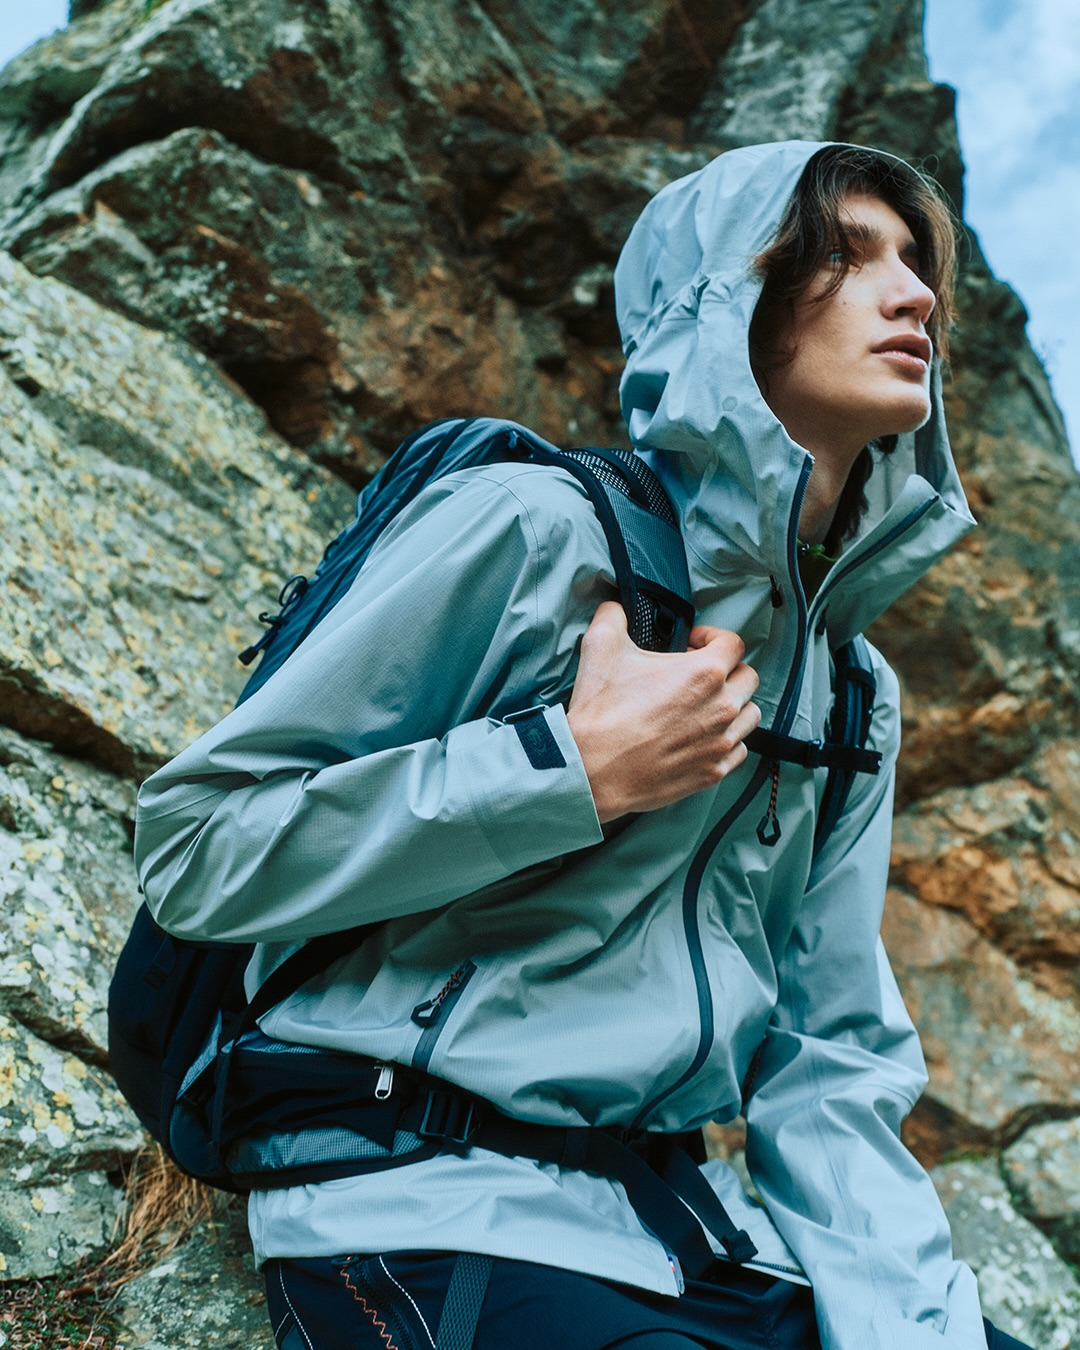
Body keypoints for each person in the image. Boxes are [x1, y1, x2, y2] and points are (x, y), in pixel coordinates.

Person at [134, 141, 1028, 1350]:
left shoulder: (851, 688)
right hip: (420, 1205)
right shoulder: (534, 531)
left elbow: (830, 1057)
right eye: (845, 255)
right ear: (723, 301)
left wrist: (907, 1327)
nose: (915, 293)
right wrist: (570, 771)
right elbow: (197, 847)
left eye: (917, 263)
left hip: (687, 1238)